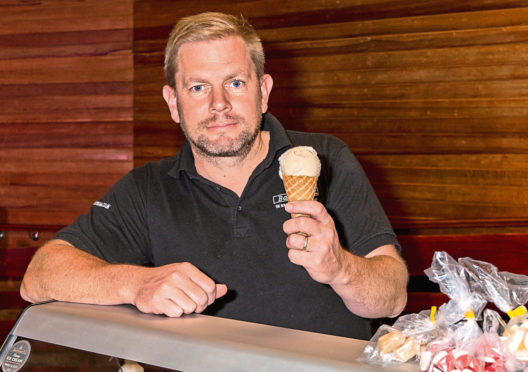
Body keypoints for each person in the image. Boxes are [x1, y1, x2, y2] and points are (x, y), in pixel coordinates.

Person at [20, 12, 408, 340]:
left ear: (264, 91)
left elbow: (391, 297)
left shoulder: (327, 158)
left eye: (235, 83)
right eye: (198, 86)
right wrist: (137, 284)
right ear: (174, 103)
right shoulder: (147, 189)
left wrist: (340, 267)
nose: (218, 103)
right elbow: (39, 277)